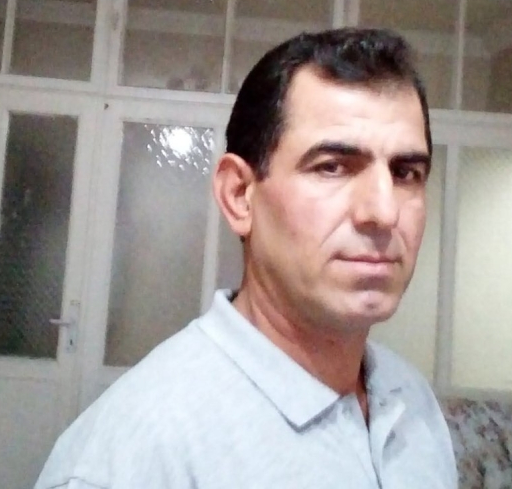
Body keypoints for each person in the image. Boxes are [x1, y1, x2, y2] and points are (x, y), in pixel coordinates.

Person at [35, 28, 458, 489]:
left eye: (406, 173)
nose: (383, 212)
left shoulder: (410, 401)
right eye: (332, 167)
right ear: (239, 195)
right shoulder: (135, 457)